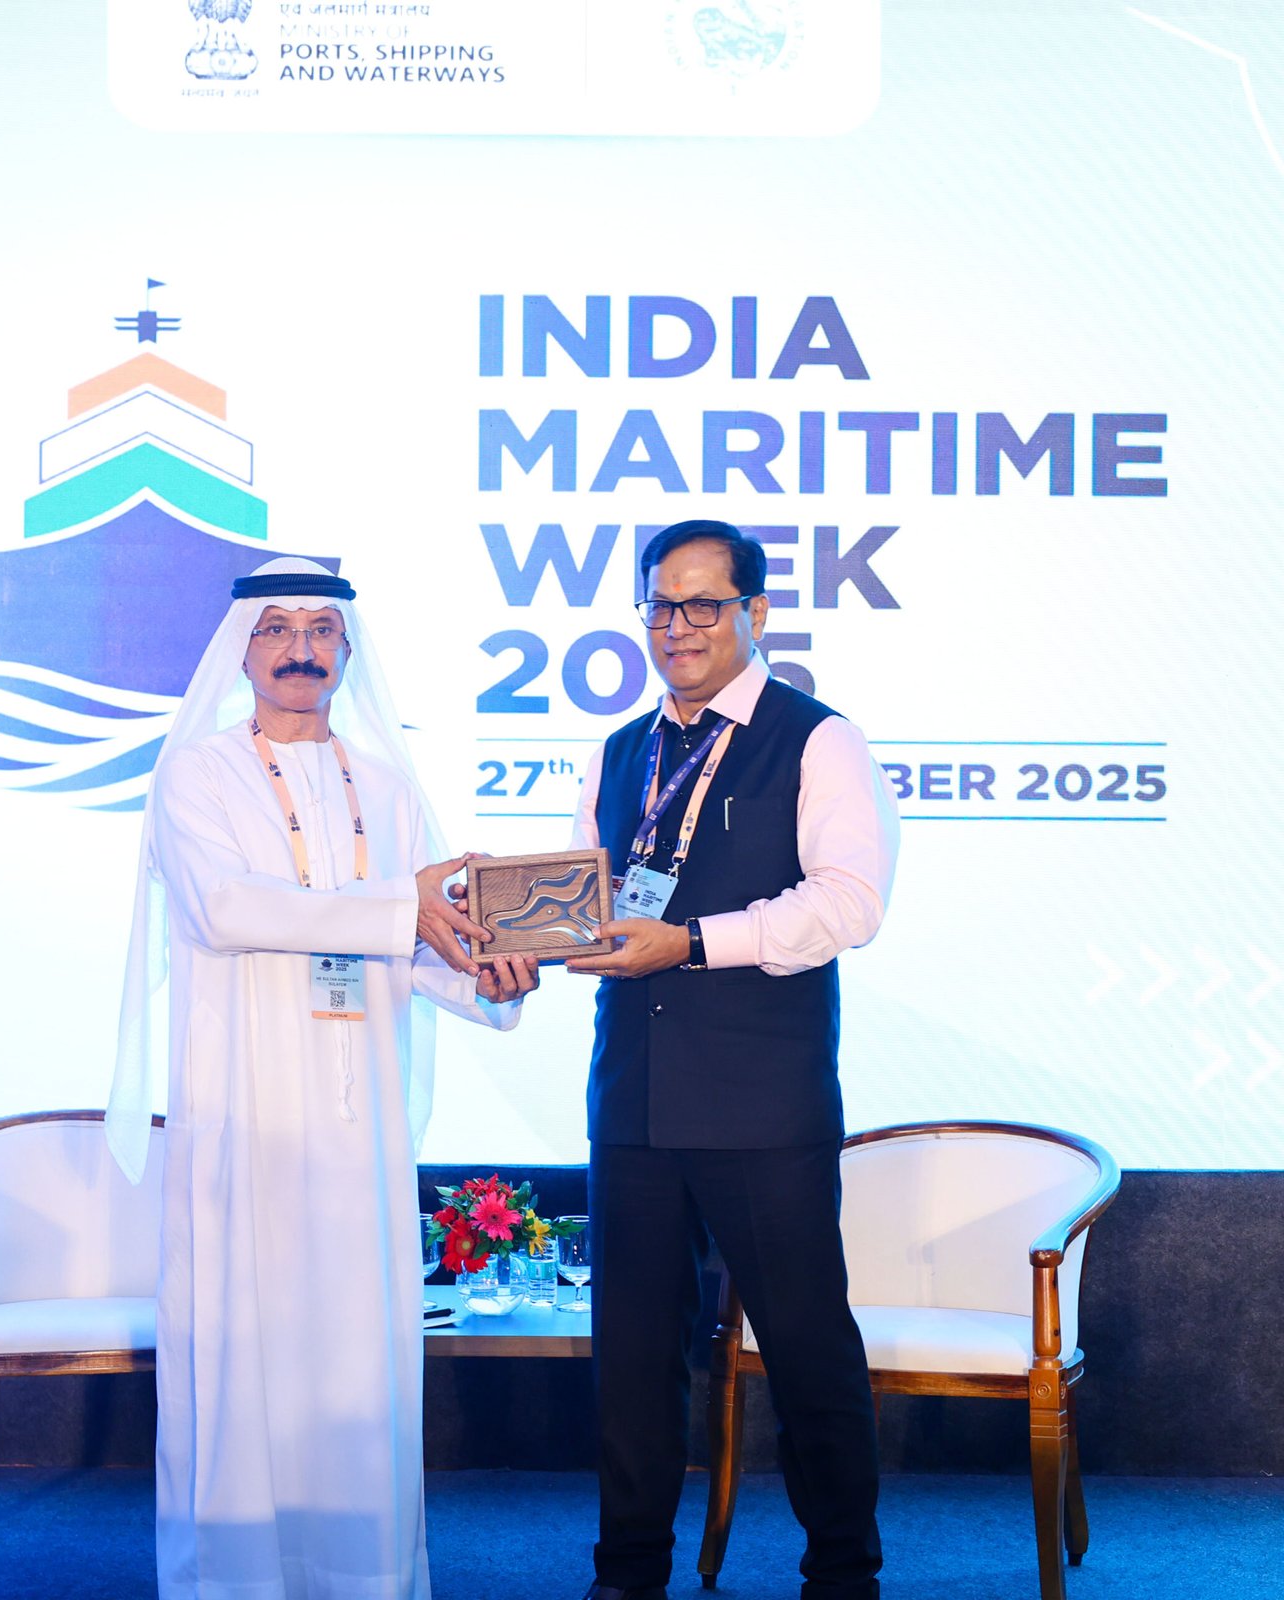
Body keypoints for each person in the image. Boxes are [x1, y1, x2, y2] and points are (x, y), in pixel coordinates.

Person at [105, 556, 538, 1600]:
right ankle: (237, 1579)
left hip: (359, 1133)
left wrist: (494, 976)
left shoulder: (385, 789)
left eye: (320, 631)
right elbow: (227, 908)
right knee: (246, 1350)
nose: (300, 650)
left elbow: (427, 940)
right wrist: (403, 910)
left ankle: (360, 1577)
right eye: (278, 630)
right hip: (243, 1120)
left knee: (353, 1356)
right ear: (242, 651)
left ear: (346, 650)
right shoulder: (197, 774)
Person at [564, 519, 900, 1600]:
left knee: (806, 1351)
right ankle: (627, 1575)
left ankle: (842, 1572)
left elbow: (848, 904)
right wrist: (517, 943)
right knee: (630, 1359)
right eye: (660, 606)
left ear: (754, 613)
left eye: (704, 605)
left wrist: (694, 942)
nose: (678, 627)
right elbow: (593, 900)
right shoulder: (621, 749)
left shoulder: (818, 739)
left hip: (761, 1105)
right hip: (632, 1097)